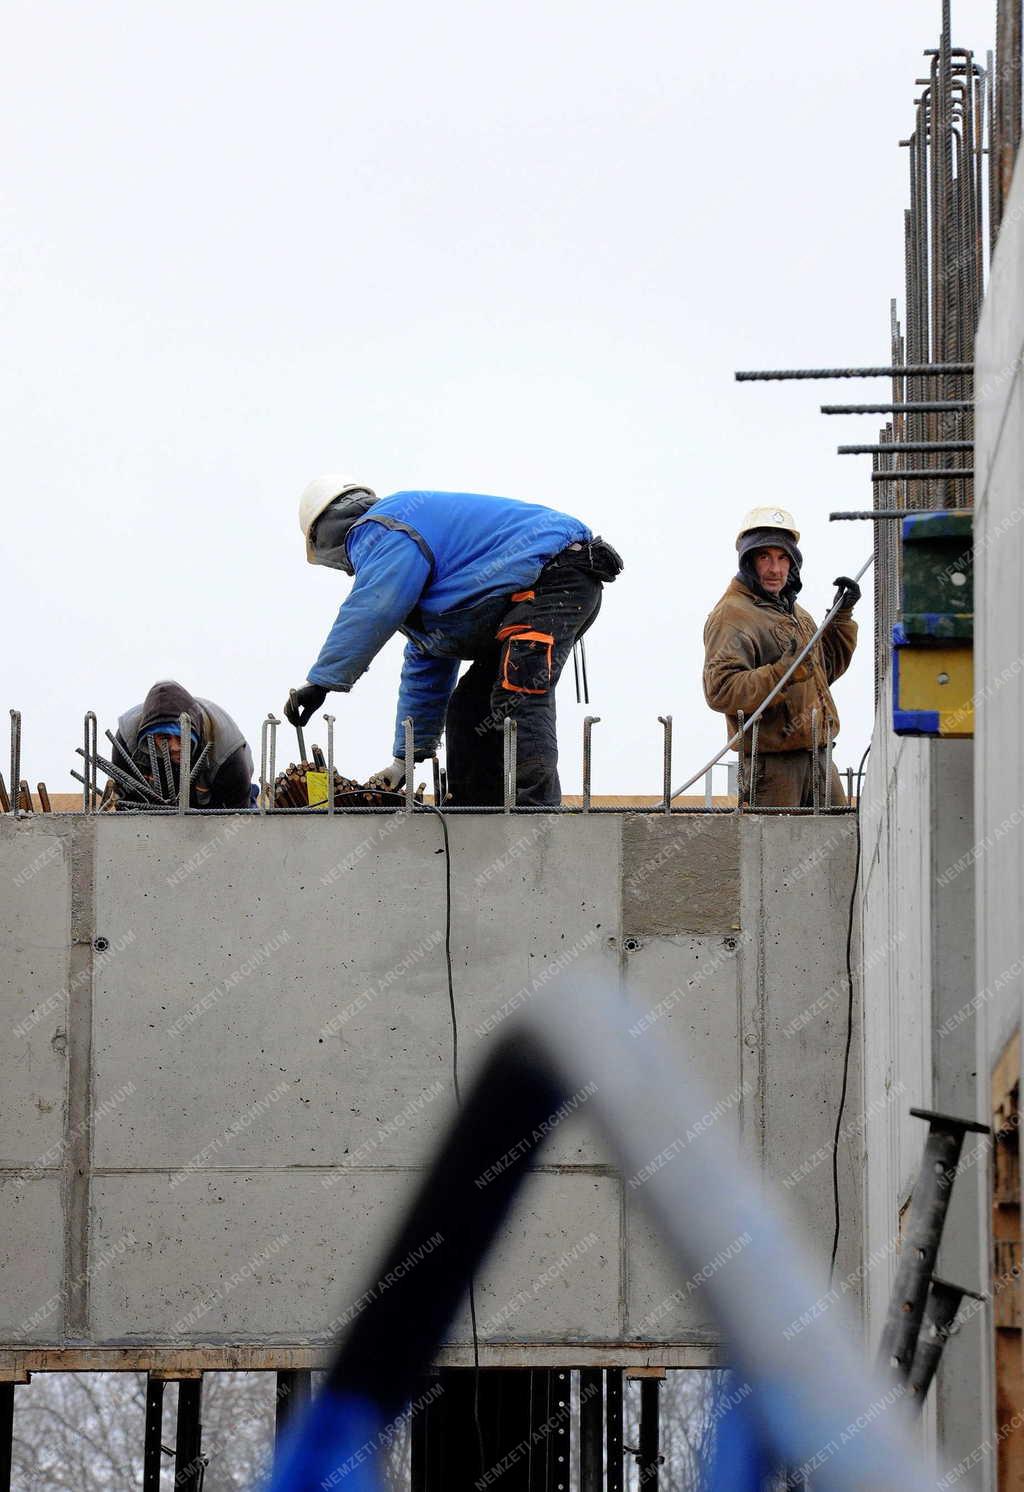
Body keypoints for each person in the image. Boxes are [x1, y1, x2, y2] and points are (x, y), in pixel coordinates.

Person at [283, 477, 622, 806]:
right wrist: (404, 762)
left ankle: (535, 815)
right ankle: (479, 814)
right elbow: (428, 664)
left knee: (518, 687)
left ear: (326, 533)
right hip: (536, 591)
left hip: (555, 574)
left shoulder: (385, 527)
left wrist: (320, 683)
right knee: (469, 707)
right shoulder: (426, 583)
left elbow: (372, 607)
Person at [702, 507, 860, 808]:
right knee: (776, 853)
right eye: (765, 557)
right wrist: (782, 673)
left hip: (820, 757)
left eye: (782, 557)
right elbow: (721, 690)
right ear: (749, 561)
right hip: (773, 769)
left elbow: (822, 672)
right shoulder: (732, 616)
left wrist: (840, 617)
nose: (775, 569)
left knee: (838, 848)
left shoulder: (795, 613)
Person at [112, 680, 254, 808]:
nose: (174, 747)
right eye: (164, 738)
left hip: (214, 796)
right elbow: (126, 807)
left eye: (181, 738)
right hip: (156, 799)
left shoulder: (226, 751)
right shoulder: (126, 742)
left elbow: (238, 813)